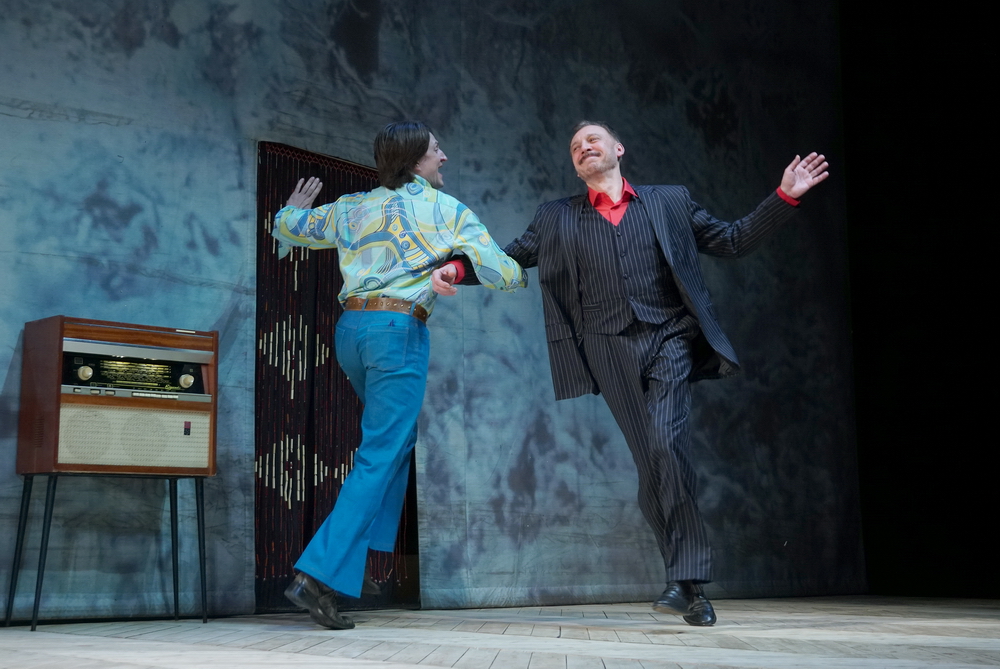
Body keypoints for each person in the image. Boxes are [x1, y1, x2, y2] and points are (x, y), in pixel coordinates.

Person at [433, 121, 828, 626]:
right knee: (651, 466)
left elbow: (731, 240)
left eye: (593, 140)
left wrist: (785, 196)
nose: (584, 147)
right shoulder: (555, 217)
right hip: (607, 349)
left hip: (670, 336)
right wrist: (457, 269)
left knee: (666, 444)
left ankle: (685, 577)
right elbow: (508, 258)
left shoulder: (670, 201)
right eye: (575, 147)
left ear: (618, 149)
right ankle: (689, 589)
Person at [272, 121, 527, 629]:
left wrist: (289, 212)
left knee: (396, 441)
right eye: (436, 150)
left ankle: (359, 559)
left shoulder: (350, 207)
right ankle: (317, 575)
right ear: (415, 161)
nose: (444, 157)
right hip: (397, 332)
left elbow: (290, 227)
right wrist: (478, 267)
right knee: (381, 451)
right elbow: (505, 275)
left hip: (351, 332)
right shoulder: (447, 210)